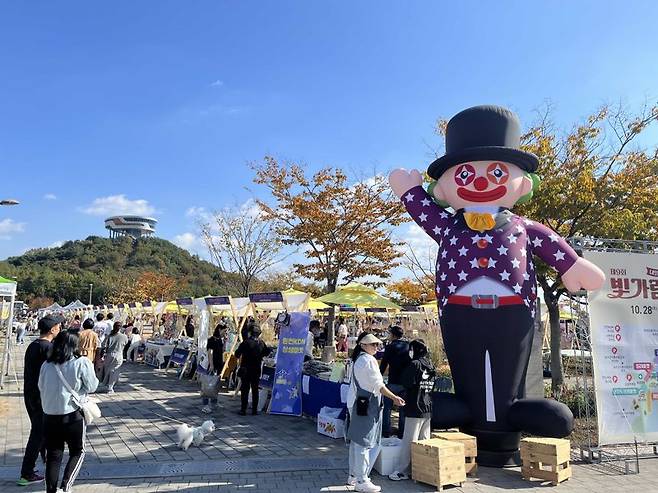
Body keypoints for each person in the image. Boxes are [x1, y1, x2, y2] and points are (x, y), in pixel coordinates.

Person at [39, 331, 98, 493]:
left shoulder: (46, 365)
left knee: (53, 455)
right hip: (73, 415)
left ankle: (50, 489)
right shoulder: (82, 362)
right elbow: (92, 386)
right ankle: (66, 486)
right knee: (78, 451)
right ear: (74, 345)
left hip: (49, 416)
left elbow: (41, 387)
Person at [346, 333, 405, 493]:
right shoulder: (368, 360)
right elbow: (378, 385)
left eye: (377, 345)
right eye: (373, 344)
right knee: (364, 443)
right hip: (365, 405)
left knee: (356, 442)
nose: (376, 347)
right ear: (363, 345)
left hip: (357, 403)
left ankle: (354, 475)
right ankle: (362, 479)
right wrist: (393, 397)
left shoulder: (358, 359)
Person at [16, 315, 62, 486]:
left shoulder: (33, 345)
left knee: (41, 432)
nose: (60, 328)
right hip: (41, 396)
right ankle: (26, 473)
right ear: (52, 329)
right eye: (58, 326)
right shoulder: (47, 347)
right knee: (37, 433)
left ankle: (39, 462)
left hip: (30, 394)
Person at [389, 339, 436, 481]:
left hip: (415, 406)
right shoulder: (430, 365)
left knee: (409, 440)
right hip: (427, 406)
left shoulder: (414, 364)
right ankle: (423, 470)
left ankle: (402, 471)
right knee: (424, 441)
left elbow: (406, 382)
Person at [379, 325, 411, 438]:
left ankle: (386, 431)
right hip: (405, 382)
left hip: (393, 381)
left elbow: (383, 364)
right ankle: (402, 432)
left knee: (387, 407)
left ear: (392, 335)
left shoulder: (390, 347)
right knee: (403, 407)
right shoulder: (408, 346)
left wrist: (379, 377)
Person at [234, 322, 270, 416]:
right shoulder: (261, 343)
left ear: (250, 332)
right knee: (255, 390)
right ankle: (254, 410)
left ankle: (243, 409)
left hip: (246, 369)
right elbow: (267, 352)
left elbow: (237, 354)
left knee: (245, 390)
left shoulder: (245, 342)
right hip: (257, 369)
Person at [100, 321, 128, 394]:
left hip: (109, 355)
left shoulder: (109, 336)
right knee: (115, 371)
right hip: (119, 354)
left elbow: (103, 345)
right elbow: (125, 344)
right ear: (121, 328)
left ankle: (107, 384)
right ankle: (110, 387)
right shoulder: (124, 336)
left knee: (108, 370)